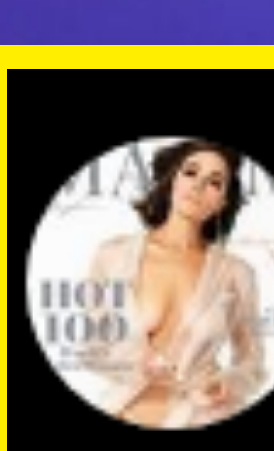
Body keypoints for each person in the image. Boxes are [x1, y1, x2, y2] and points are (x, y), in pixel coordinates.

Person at [82, 137, 264, 429]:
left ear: (223, 201)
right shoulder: (112, 256)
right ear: (172, 180)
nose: (198, 186)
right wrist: (136, 364)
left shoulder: (237, 274)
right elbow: (93, 349)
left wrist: (226, 383)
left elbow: (252, 362)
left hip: (203, 415)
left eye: (215, 182)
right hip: (124, 411)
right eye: (190, 172)